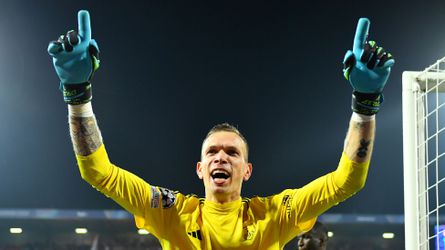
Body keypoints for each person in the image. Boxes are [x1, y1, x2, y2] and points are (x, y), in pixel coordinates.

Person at [47, 10, 394, 249]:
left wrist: (365, 103)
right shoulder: (171, 213)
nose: (221, 158)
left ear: (247, 170)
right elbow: (98, 172)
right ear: (199, 169)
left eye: (232, 152)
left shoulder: (275, 214)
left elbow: (348, 180)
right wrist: (78, 97)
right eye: (212, 152)